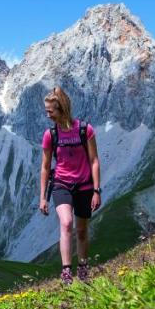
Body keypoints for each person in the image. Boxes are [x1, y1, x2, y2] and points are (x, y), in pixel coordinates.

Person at [38, 87, 101, 283]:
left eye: (51, 111)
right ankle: (66, 271)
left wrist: (97, 190)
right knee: (66, 223)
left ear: (62, 108)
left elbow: (94, 161)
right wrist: (42, 197)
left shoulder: (85, 130)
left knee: (81, 230)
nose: (48, 115)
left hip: (84, 185)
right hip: (61, 184)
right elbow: (45, 166)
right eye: (47, 111)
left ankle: (83, 268)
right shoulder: (50, 134)